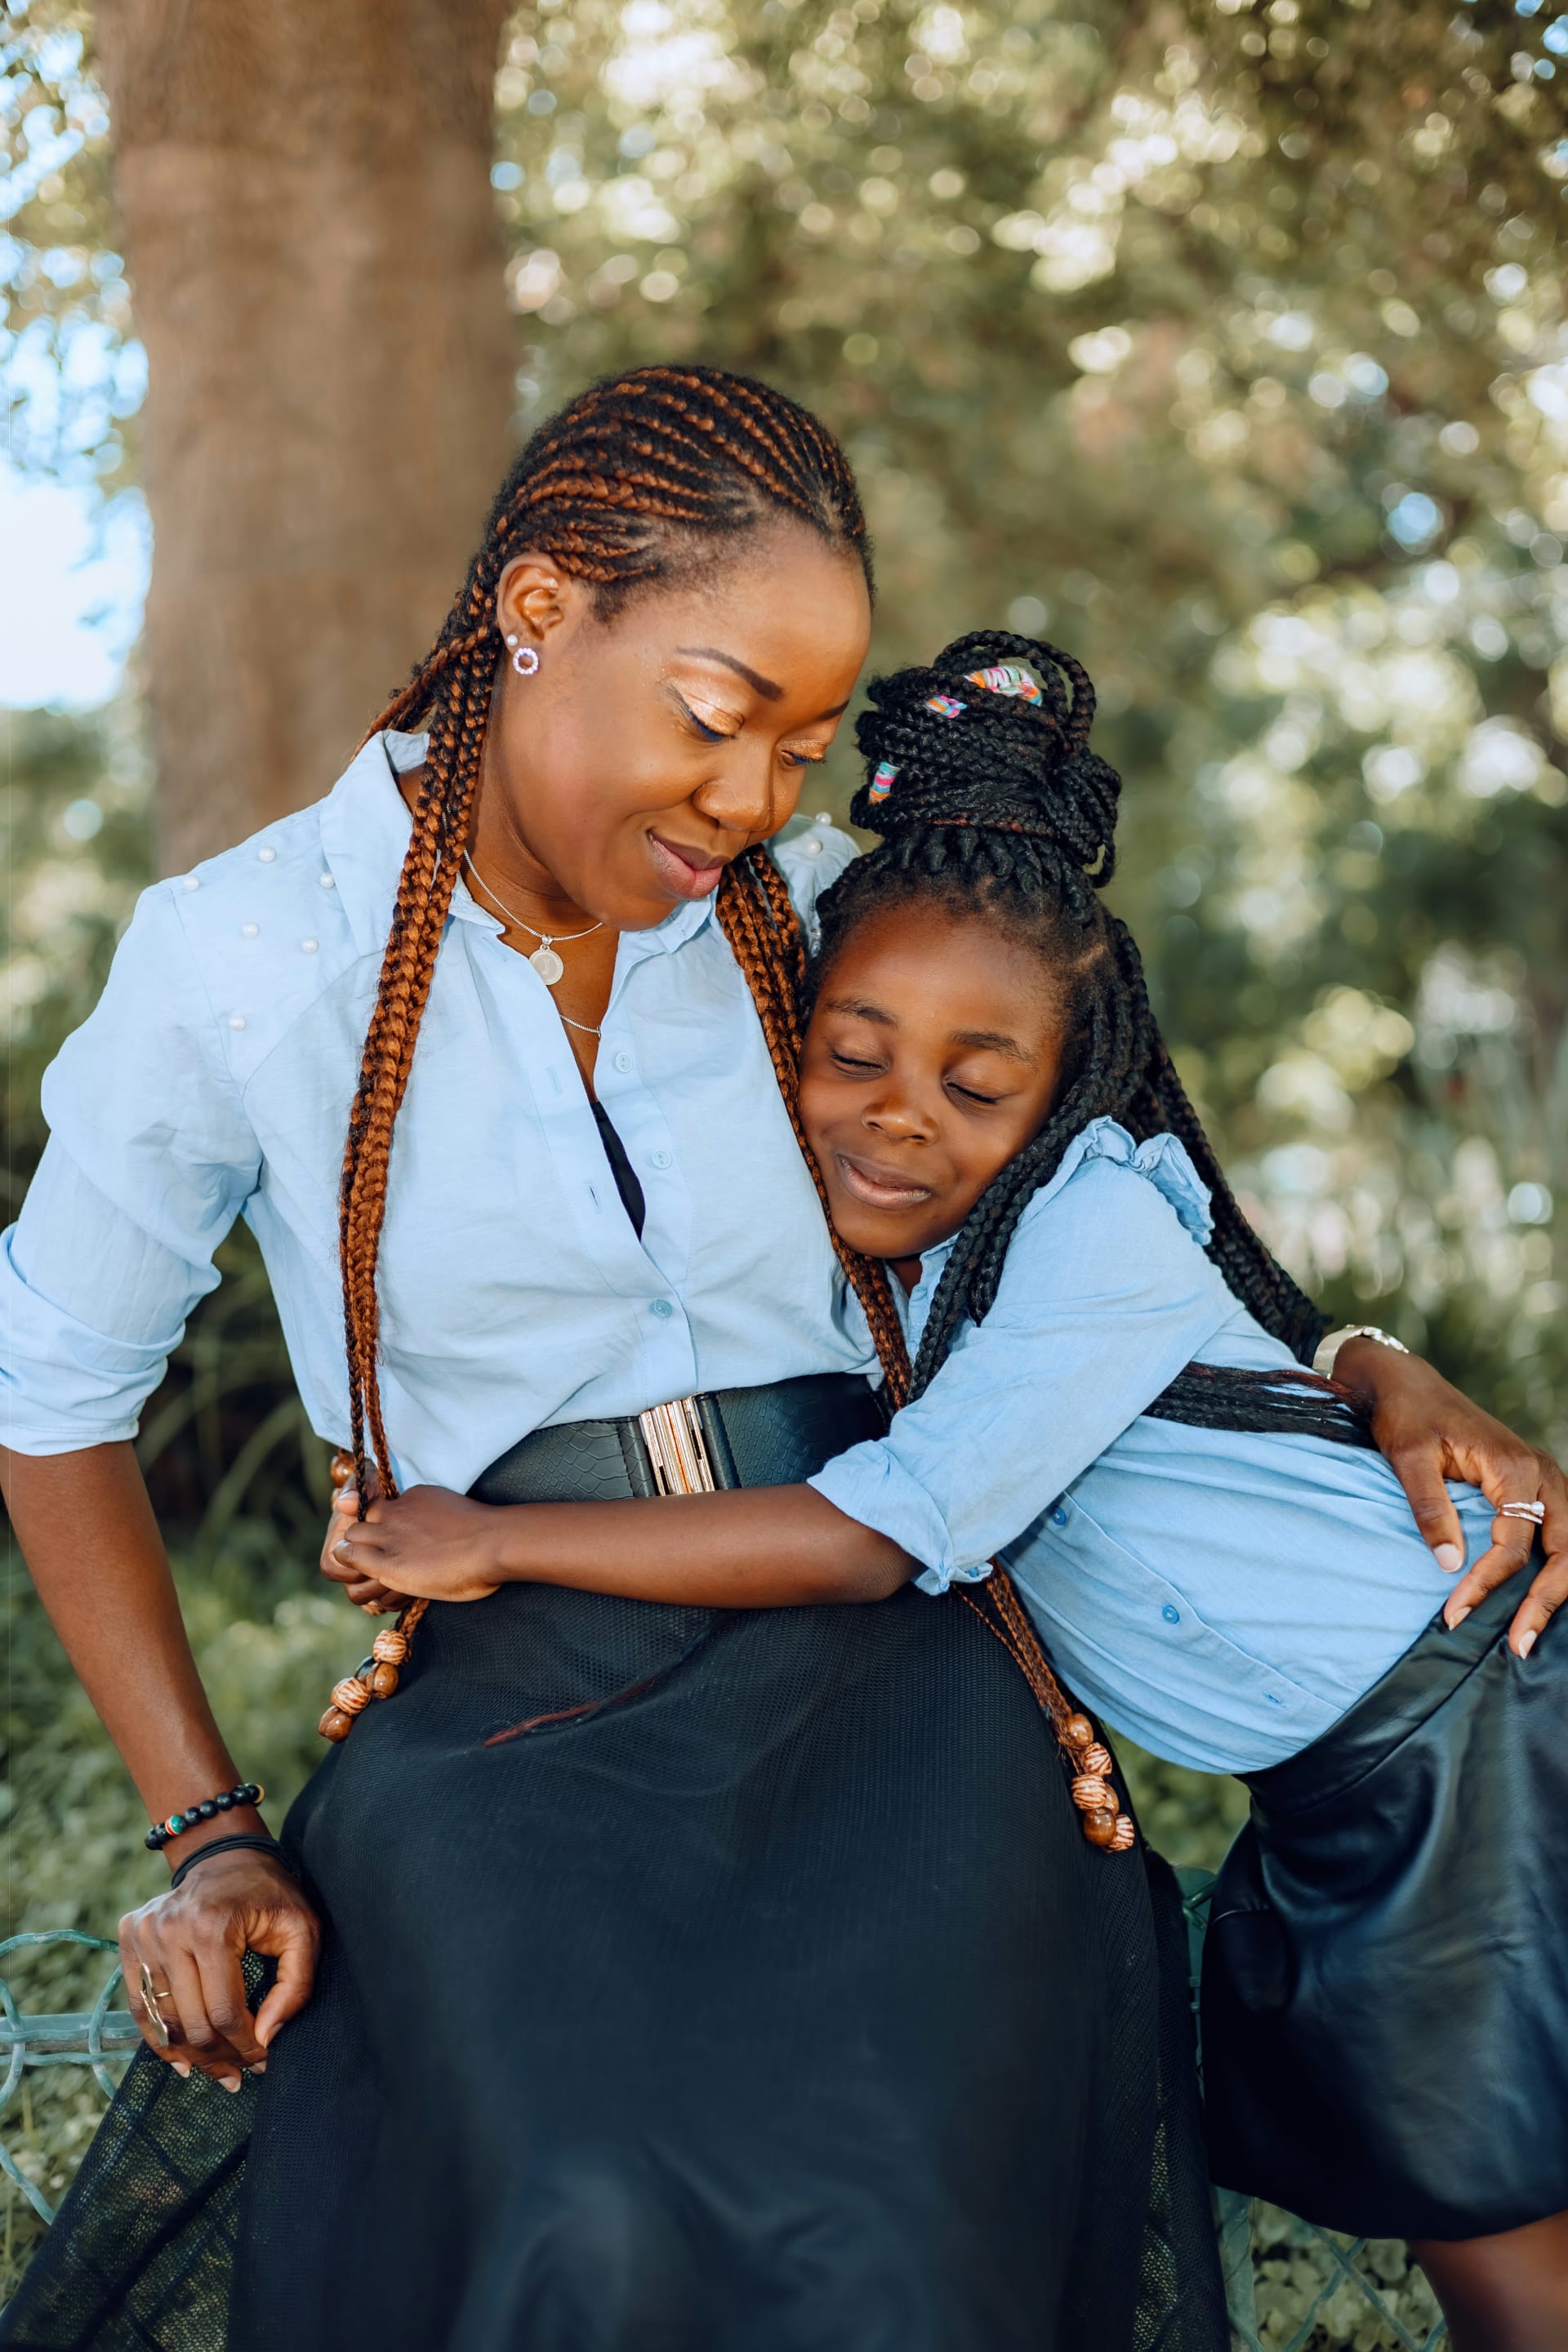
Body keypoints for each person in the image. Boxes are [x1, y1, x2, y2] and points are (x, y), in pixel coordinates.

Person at [0, 374, 1241, 2352]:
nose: (751, 799)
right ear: (539, 606)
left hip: (890, 1656)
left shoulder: (826, 920)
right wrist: (207, 1831)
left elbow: (1114, 1169)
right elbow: (50, 1390)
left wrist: (1356, 1353)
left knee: (895, 2233)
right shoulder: (239, 958)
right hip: (510, 1698)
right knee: (576, 2211)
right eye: (715, 711)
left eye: (804, 746)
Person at [328, 634, 1568, 2352]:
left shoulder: (1097, 1229)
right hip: (1344, 1773)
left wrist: (498, 1539)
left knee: (1506, 2240)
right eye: (854, 1057)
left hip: (1463, 1720)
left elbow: (868, 1532)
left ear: (1069, 1092)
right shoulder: (895, 1269)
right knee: (1463, 2190)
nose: (901, 1120)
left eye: (979, 1088)